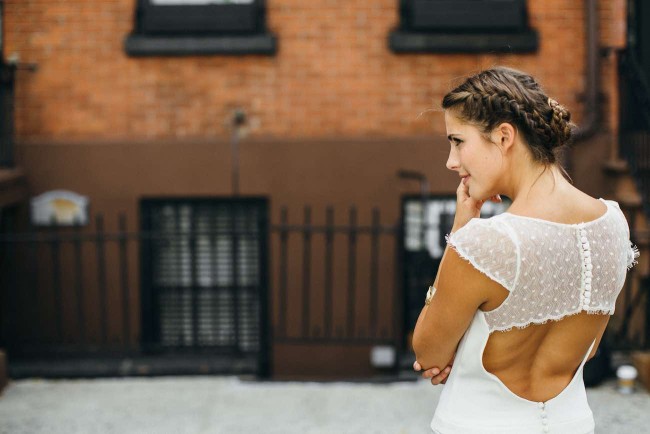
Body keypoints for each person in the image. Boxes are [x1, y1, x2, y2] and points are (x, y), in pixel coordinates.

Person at [411, 66, 640, 433]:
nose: (451, 161)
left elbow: (428, 355)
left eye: (458, 141)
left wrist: (461, 228)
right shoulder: (612, 224)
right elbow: (590, 349)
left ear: (503, 136)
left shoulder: (485, 242)